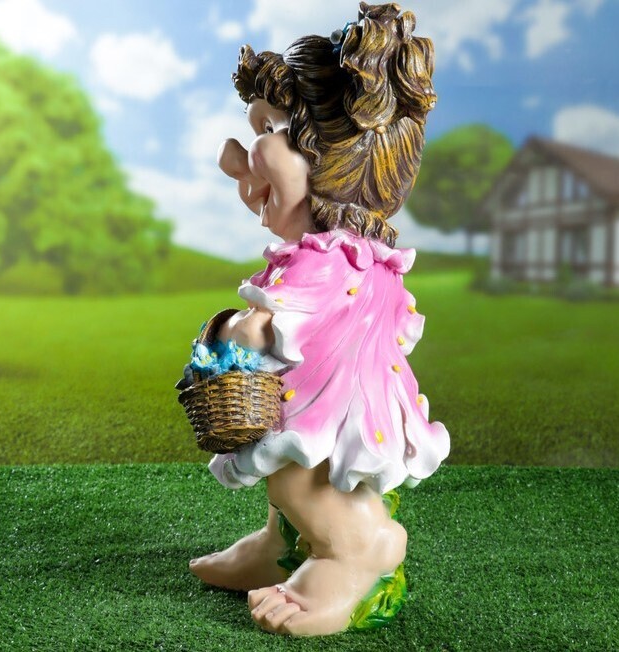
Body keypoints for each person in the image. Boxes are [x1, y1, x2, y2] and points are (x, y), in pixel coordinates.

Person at [189, 2, 450, 636]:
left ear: (331, 155)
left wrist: (233, 334)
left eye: (270, 128)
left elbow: (272, 323)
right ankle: (282, 546)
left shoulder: (332, 259)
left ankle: (356, 550)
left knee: (298, 481)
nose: (239, 157)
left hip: (329, 412)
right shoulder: (353, 255)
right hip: (316, 399)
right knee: (282, 468)